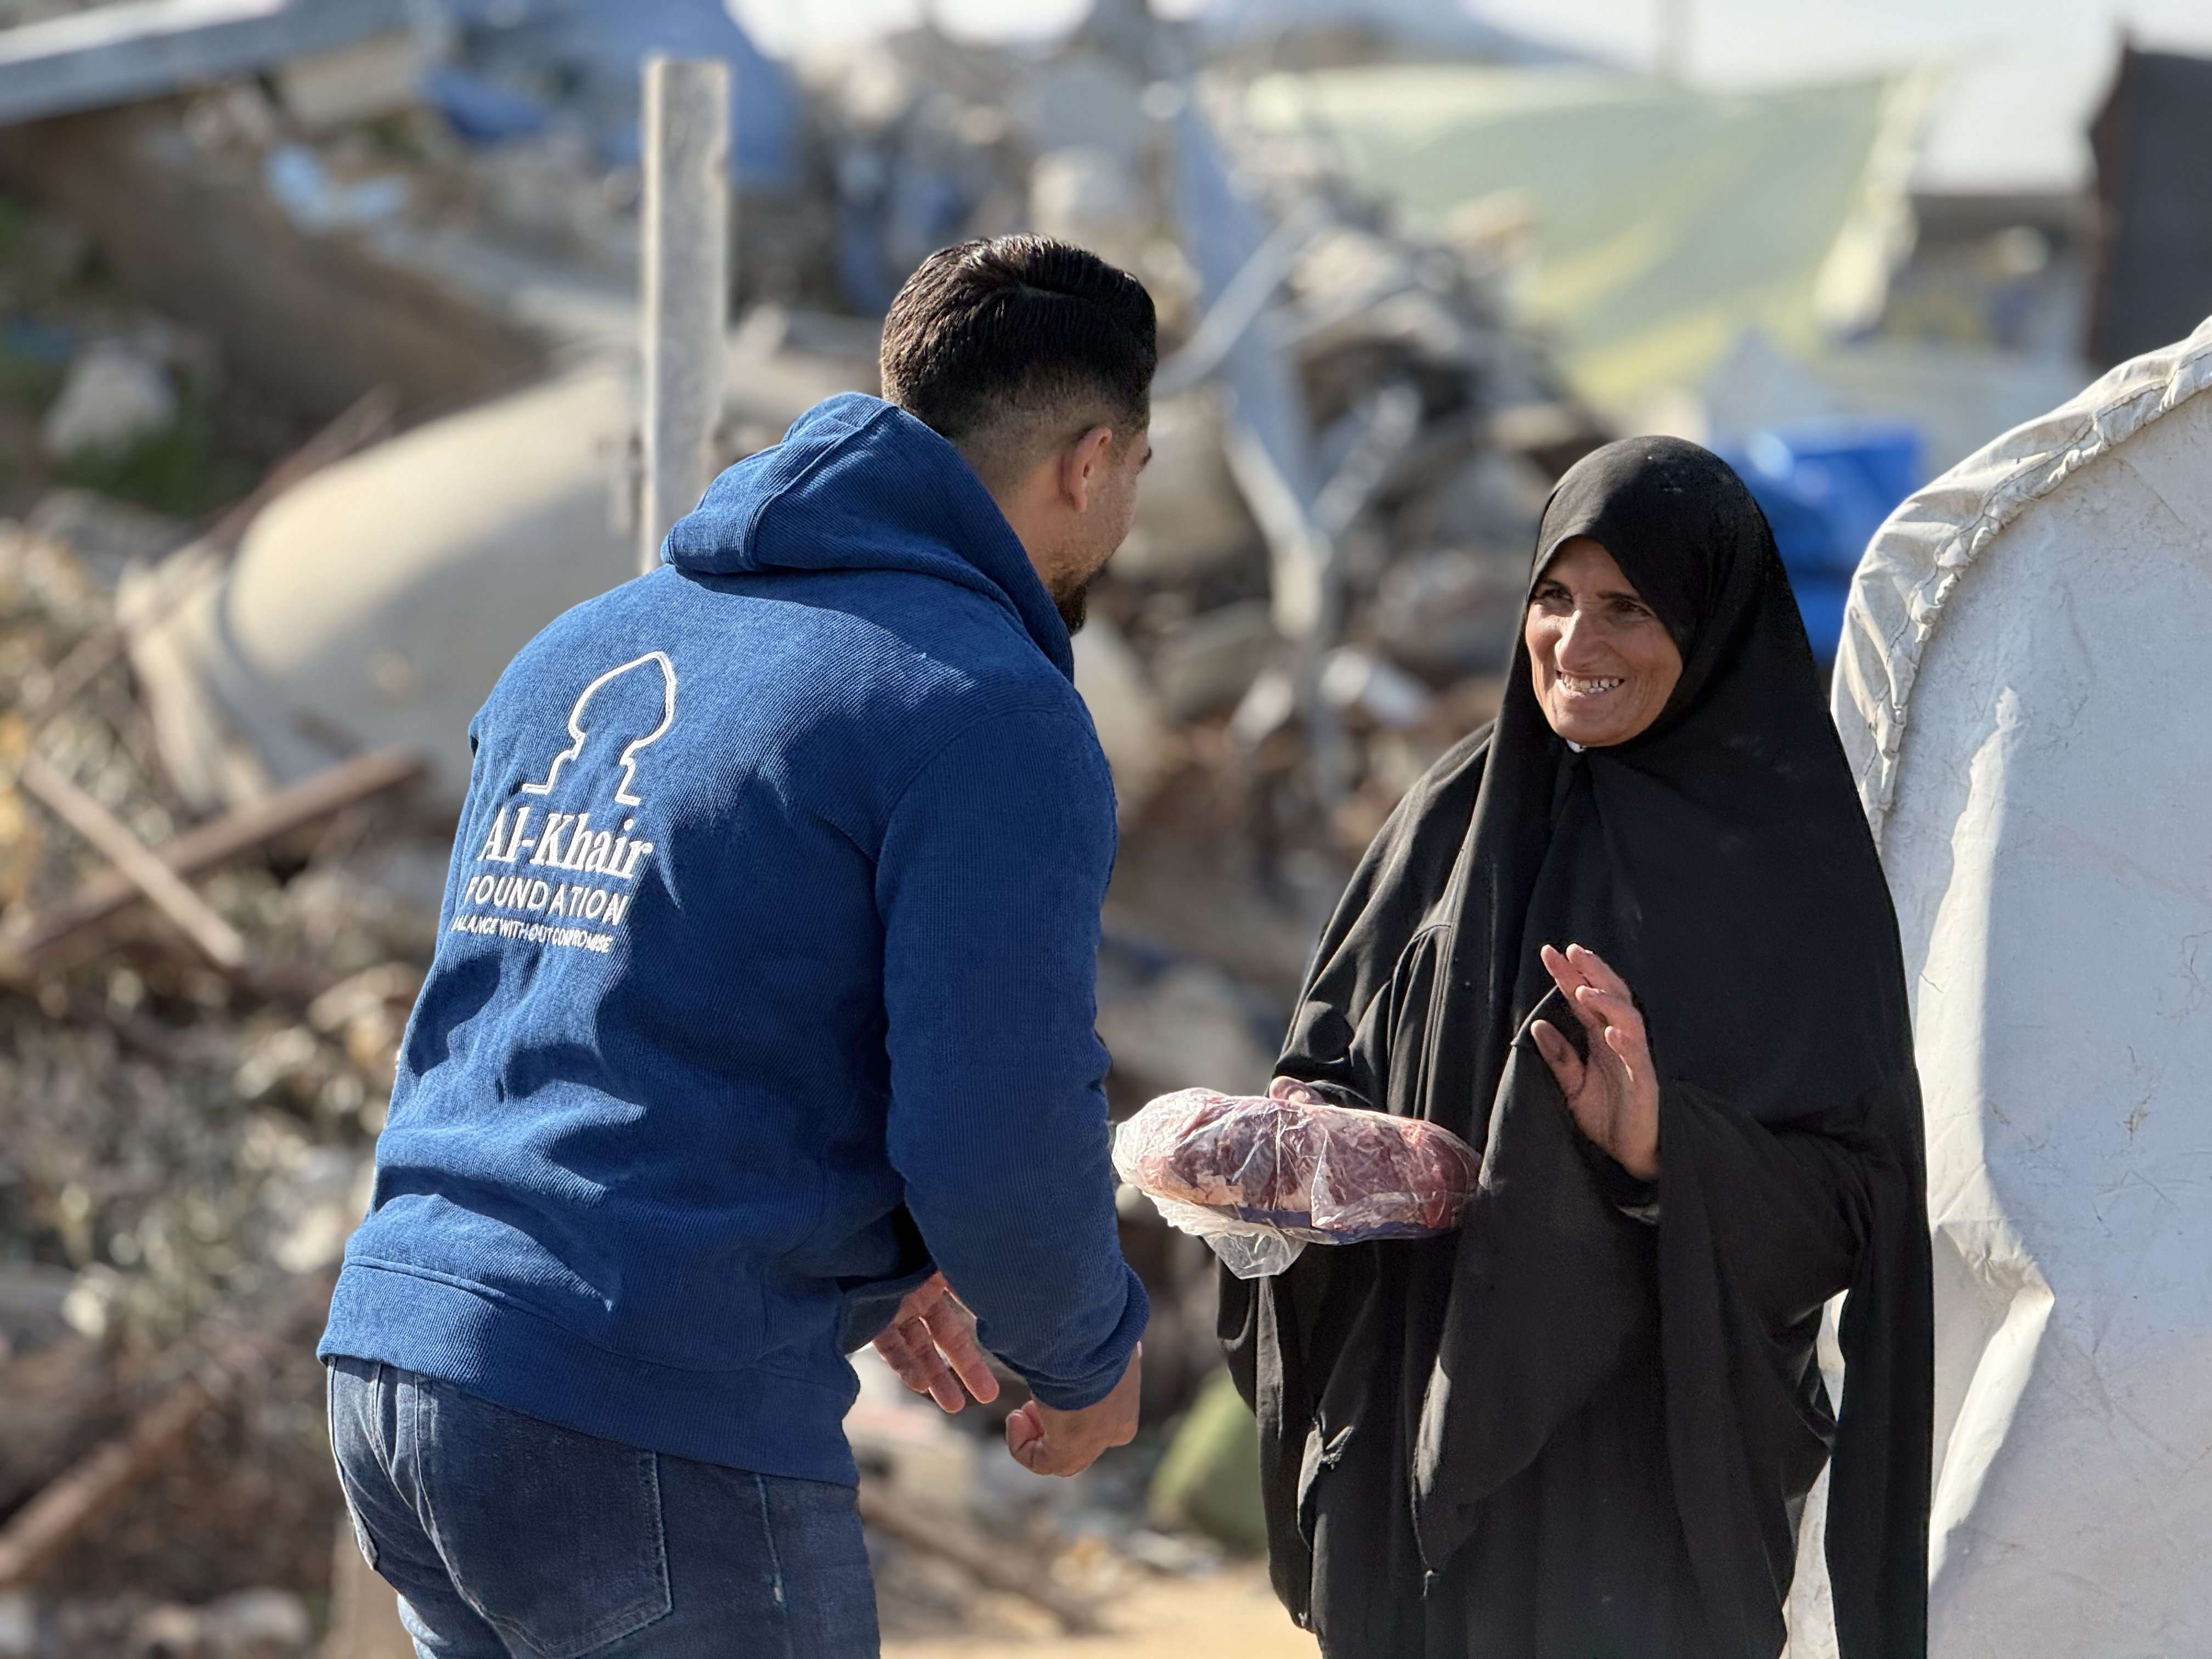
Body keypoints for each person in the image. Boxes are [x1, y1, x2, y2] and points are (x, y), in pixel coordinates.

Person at [318, 235, 1158, 1658]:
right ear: (1090, 460)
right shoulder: (982, 703)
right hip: (644, 1414)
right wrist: (1086, 1352)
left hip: (406, 1362)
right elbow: (997, 1117)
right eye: (1141, 468)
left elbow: (578, 1017)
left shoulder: (579, 648)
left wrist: (876, 1262)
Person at [1222, 438, 1933, 1659]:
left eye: (1629, 608)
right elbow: (1332, 1048)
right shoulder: (1457, 815)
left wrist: (1667, 1151)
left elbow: (1860, 1199)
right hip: (1409, 1436)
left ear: (1711, 625)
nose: (1576, 642)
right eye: (1554, 598)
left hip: (1640, 1492)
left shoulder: (1791, 871)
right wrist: (1299, 1139)